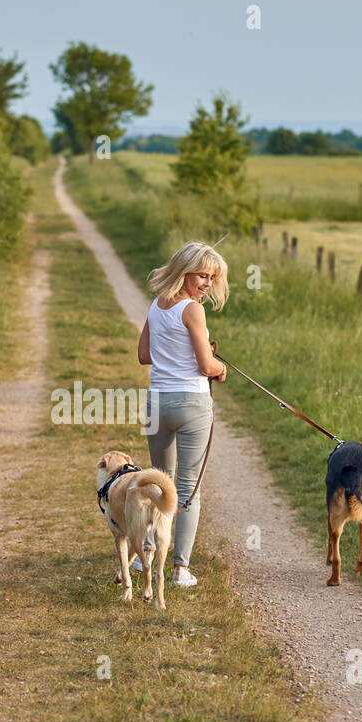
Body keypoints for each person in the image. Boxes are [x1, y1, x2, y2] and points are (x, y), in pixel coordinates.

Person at [135, 240, 228, 587]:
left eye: (211, 277)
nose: (206, 283)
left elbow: (145, 355)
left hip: (157, 402)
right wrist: (220, 367)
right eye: (201, 275)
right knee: (188, 489)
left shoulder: (157, 305)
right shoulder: (193, 310)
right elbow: (206, 365)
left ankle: (145, 555)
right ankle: (180, 570)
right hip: (191, 404)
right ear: (183, 271)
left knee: (160, 482)